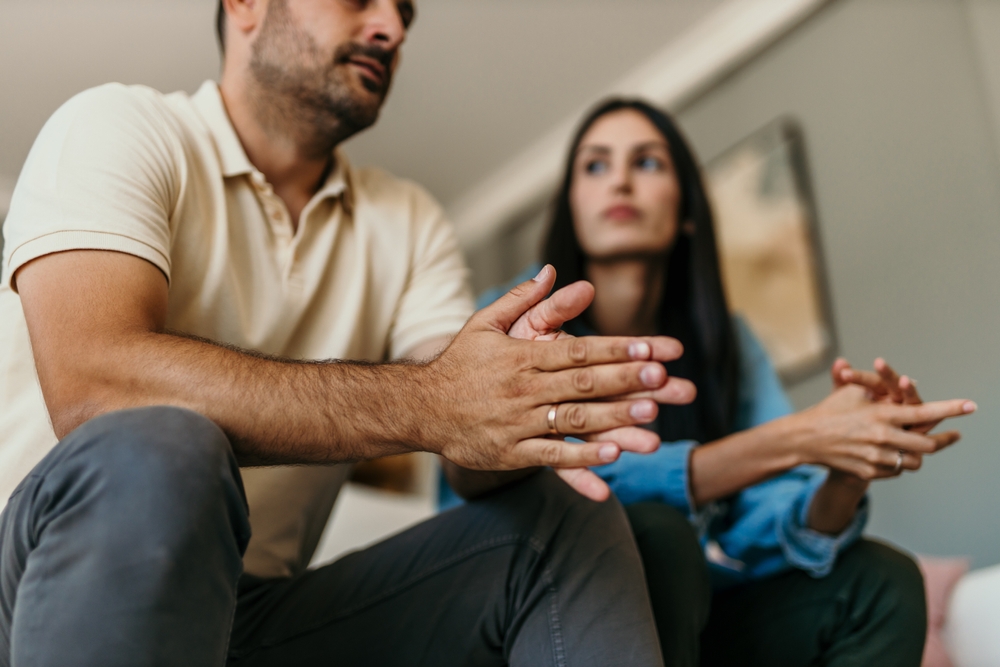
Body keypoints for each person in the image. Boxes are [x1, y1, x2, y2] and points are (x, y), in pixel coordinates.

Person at [0, 3, 702, 665]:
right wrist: (434, 401)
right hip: (45, 585)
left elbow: (467, 449)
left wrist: (513, 396)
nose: (392, 27)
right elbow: (96, 383)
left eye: (404, 11)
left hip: (250, 619)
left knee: (566, 521)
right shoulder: (118, 126)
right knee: (166, 441)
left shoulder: (408, 221)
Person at [445, 98, 977, 667]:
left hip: (689, 611)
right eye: (595, 166)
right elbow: (548, 498)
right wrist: (797, 437)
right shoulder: (510, 317)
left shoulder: (728, 342)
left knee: (882, 583)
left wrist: (841, 479)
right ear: (571, 206)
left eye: (647, 163)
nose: (620, 180)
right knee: (656, 536)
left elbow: (758, 531)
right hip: (535, 602)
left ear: (688, 211)